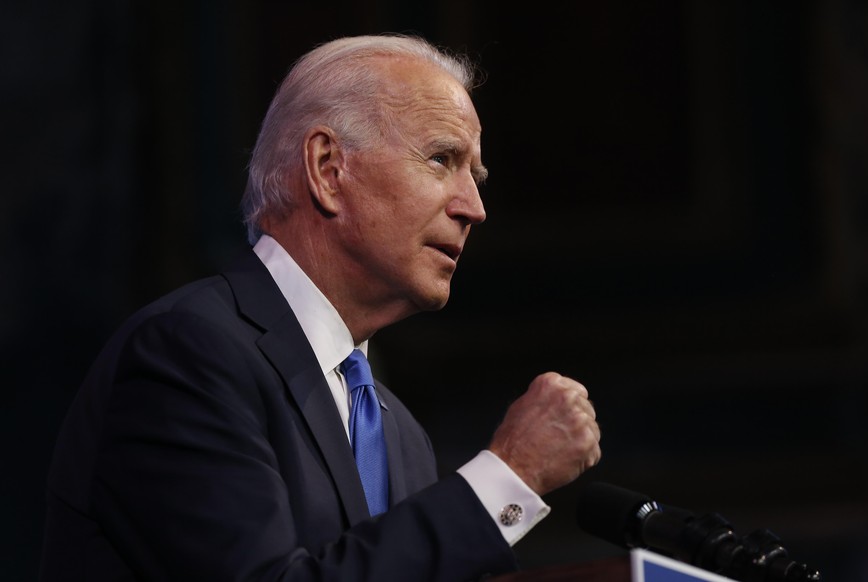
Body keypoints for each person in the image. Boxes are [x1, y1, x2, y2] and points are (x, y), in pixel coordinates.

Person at [39, 33, 601, 581]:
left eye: (475, 177)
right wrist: (509, 477)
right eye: (441, 159)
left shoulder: (399, 433)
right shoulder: (188, 354)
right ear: (328, 169)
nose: (473, 208)